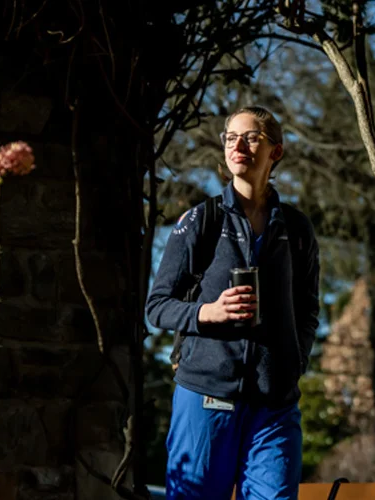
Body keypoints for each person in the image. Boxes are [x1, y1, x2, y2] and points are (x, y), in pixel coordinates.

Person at [146, 106, 320, 499]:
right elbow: (157, 306)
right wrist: (209, 312)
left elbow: (308, 308)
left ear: (275, 152)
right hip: (206, 397)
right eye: (230, 137)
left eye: (252, 137)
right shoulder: (200, 220)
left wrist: (295, 362)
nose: (238, 145)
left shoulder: (296, 229)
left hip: (274, 405)